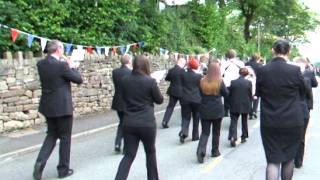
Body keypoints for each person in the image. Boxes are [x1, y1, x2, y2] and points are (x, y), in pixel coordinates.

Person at [33, 40, 83, 180]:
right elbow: (78, 79)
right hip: (62, 106)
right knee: (65, 138)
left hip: (48, 106)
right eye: (62, 48)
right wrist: (72, 66)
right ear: (58, 50)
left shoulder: (41, 64)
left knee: (51, 135)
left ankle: (39, 163)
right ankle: (63, 170)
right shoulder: (62, 66)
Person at [256, 39, 305, 180]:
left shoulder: (262, 70)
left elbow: (257, 93)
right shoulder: (295, 70)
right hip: (292, 121)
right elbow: (303, 92)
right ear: (289, 52)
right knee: (288, 159)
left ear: (273, 50)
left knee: (272, 161)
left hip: (270, 122)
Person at [115, 55, 163, 180]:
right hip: (146, 123)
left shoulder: (124, 80)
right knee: (150, 153)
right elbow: (159, 100)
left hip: (129, 121)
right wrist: (156, 83)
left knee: (129, 155)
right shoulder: (150, 81)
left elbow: (123, 98)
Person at [196, 62, 228, 163]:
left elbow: (200, 93)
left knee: (205, 132)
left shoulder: (201, 81)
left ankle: (200, 151)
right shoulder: (220, 81)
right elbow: (226, 93)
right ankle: (215, 151)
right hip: (217, 109)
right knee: (216, 132)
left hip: (204, 108)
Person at [293, 57, 318, 168]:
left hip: (290, 108)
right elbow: (313, 87)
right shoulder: (308, 75)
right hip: (304, 106)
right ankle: (298, 161)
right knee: (301, 135)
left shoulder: (288, 77)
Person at [111, 54, 132, 153]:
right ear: (129, 62)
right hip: (128, 102)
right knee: (127, 124)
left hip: (118, 101)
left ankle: (117, 143)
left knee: (122, 123)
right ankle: (126, 146)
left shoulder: (115, 72)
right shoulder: (131, 73)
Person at [179, 58, 202, 143]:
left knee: (185, 116)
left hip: (185, 98)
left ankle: (184, 132)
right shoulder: (199, 76)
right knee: (196, 117)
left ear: (188, 65)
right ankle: (195, 136)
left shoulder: (183, 75)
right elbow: (201, 88)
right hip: (196, 99)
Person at [228, 67, 252, 147]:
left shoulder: (233, 82)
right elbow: (250, 94)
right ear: (246, 74)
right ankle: (244, 136)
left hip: (234, 104)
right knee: (244, 121)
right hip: (245, 104)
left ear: (239, 73)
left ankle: (233, 136)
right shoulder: (248, 83)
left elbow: (230, 93)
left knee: (234, 121)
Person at [161, 58, 186, 128]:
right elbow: (185, 80)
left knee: (170, 107)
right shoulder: (183, 71)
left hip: (172, 91)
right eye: (184, 64)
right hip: (181, 91)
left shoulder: (171, 70)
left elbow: (167, 78)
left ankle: (165, 121)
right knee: (184, 107)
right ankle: (184, 122)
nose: (184, 65)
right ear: (181, 63)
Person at [220, 49, 245, 117]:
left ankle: (226, 111)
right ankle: (234, 110)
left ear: (227, 55)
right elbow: (244, 72)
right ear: (235, 55)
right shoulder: (240, 63)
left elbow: (221, 73)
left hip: (227, 83)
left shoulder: (224, 63)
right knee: (236, 97)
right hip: (237, 83)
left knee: (226, 97)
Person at [245, 54, 263, 119]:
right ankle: (254, 111)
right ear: (257, 58)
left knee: (249, 98)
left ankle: (250, 112)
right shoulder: (259, 65)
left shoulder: (246, 64)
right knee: (256, 97)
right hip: (256, 83)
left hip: (247, 82)